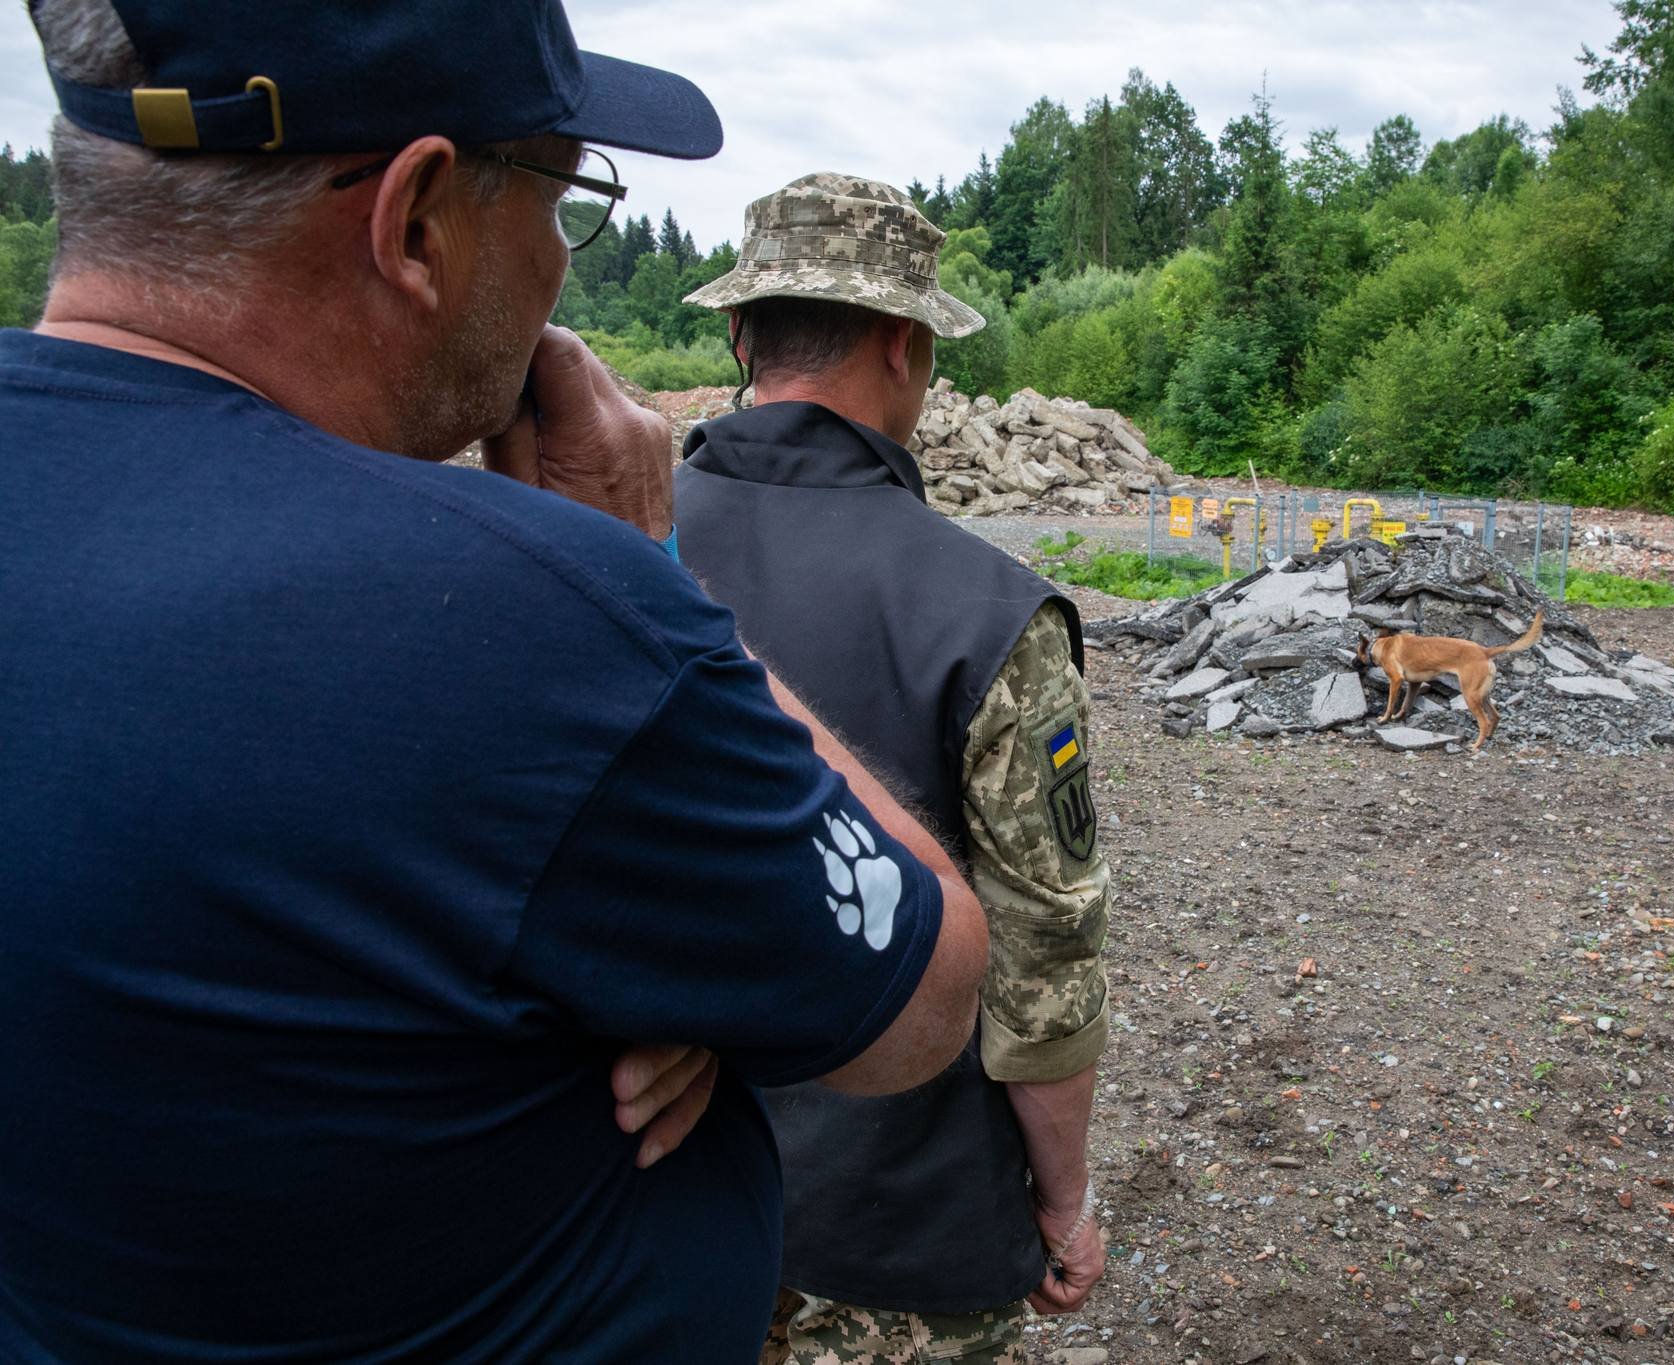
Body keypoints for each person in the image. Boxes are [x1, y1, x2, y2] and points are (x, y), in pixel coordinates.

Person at [0, 4, 990, 1360]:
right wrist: (645, 572)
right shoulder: (548, 623)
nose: (557, 271)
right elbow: (927, 990)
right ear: (416, 220)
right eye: (559, 191)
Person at [673, 174, 1113, 1365]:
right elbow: (1045, 954)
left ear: (737, 334)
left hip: (647, 1215)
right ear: (907, 347)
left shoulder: (612, 543)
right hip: (900, 1227)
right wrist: (1064, 1199)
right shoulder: (988, 613)